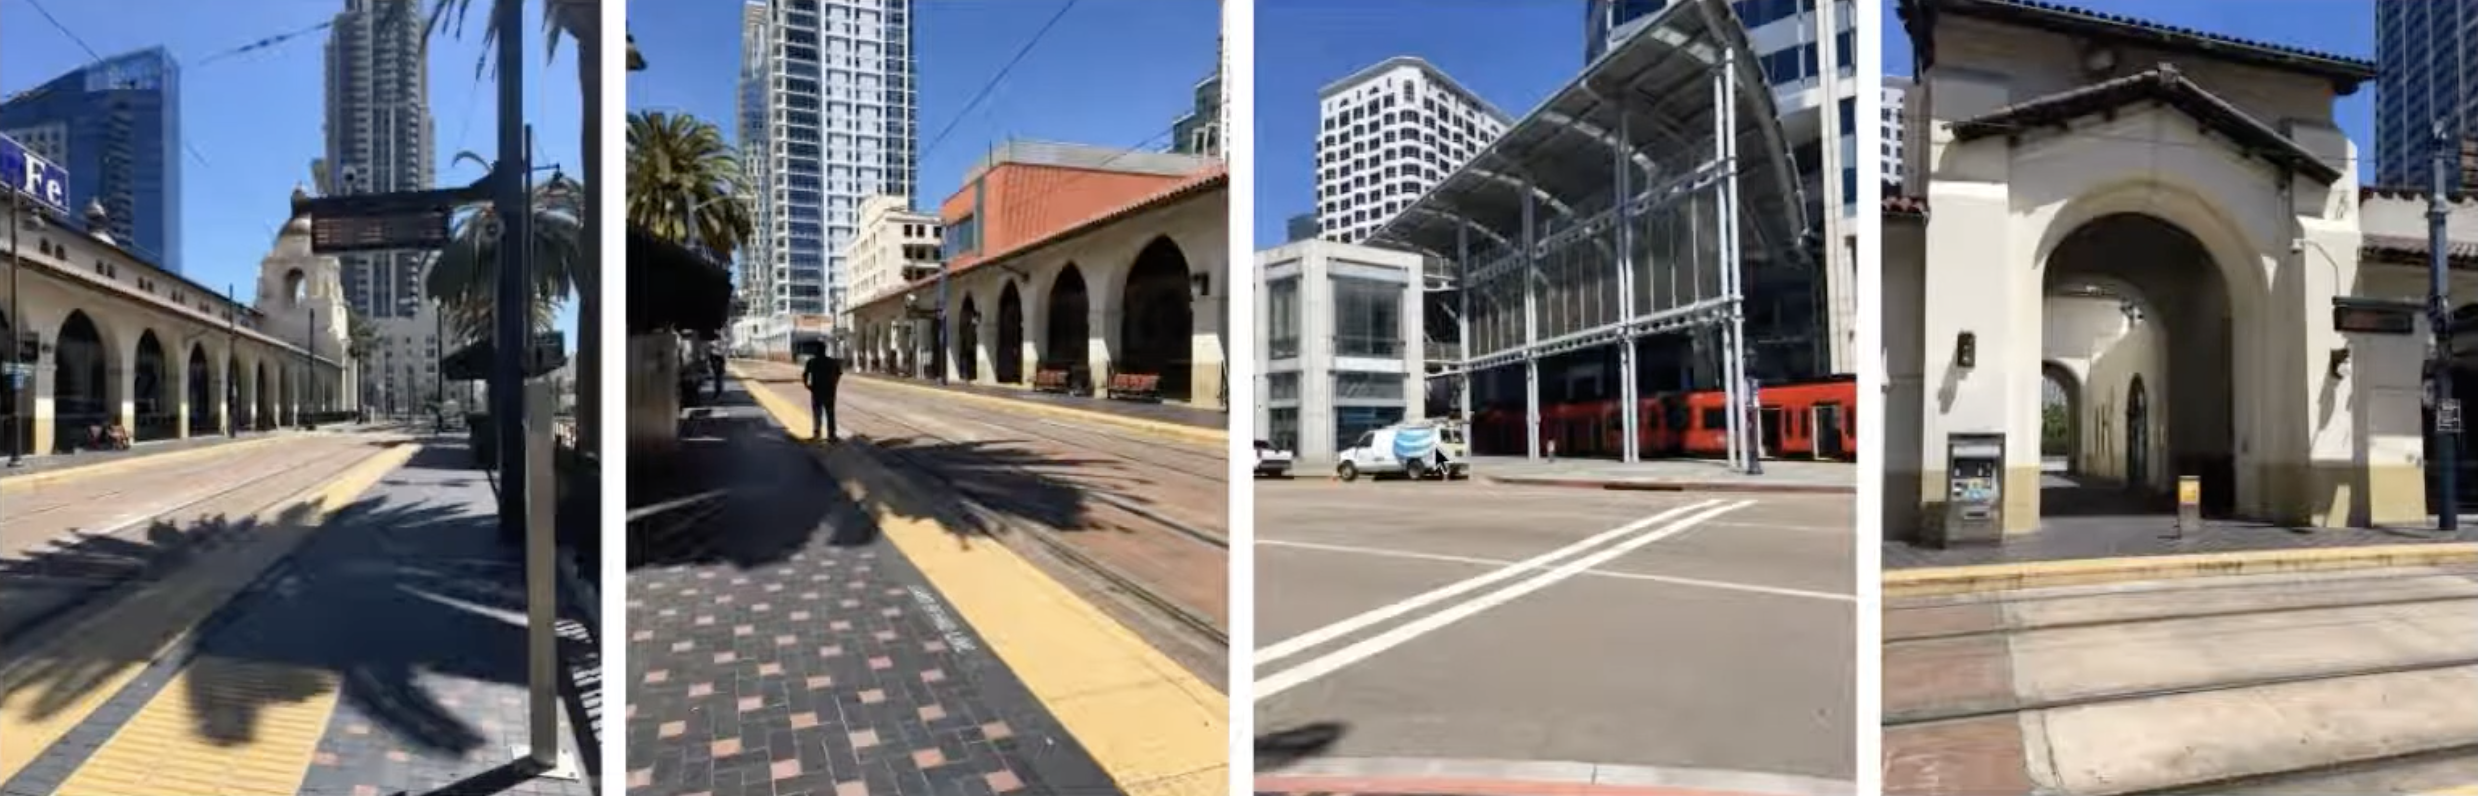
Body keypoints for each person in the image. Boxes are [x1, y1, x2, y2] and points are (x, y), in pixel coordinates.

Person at [803, 343, 843, 442]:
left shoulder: (811, 362)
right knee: (830, 414)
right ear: (824, 350)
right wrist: (835, 384)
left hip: (816, 391)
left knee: (817, 414)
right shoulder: (832, 362)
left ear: (816, 351)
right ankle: (831, 435)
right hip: (830, 391)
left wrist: (807, 386)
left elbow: (805, 375)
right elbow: (839, 374)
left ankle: (817, 434)